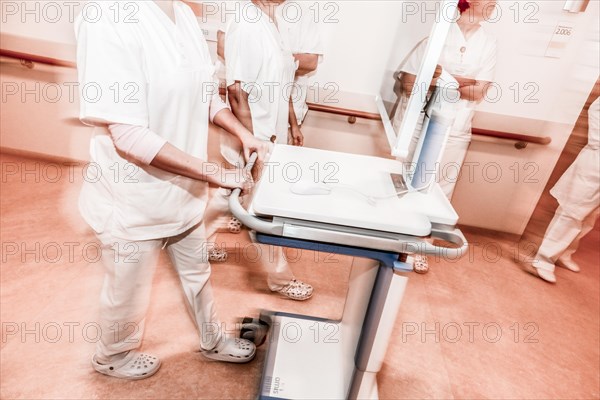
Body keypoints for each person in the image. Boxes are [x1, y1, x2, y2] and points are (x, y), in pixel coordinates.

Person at [75, 0, 271, 379]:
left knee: (198, 274)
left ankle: (212, 340)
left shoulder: (181, 13)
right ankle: (112, 355)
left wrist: (243, 133)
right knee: (128, 292)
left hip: (184, 191)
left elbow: (204, 94)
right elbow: (129, 136)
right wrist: (214, 172)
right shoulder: (106, 18)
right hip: (134, 196)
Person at [393, 0, 498, 273]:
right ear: (469, 2)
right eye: (490, 1)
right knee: (406, 180)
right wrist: (462, 80)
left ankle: (422, 244)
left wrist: (441, 76)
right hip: (418, 122)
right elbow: (409, 84)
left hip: (456, 126)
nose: (494, 7)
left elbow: (479, 92)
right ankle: (397, 239)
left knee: (441, 189)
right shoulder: (440, 33)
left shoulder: (488, 43)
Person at [223, 0, 313, 301]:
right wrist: (252, 144)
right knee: (264, 210)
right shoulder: (246, 23)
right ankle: (281, 279)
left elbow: (282, 82)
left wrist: (292, 123)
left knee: (225, 198)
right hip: (256, 137)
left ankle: (194, 243)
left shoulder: (272, 24)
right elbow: (236, 92)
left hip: (270, 135)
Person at [528, 96, 600, 283]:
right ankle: (544, 260)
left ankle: (564, 252)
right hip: (596, 160)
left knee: (590, 216)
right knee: (572, 212)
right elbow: (596, 110)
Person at [275, 1, 325, 128]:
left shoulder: (302, 12)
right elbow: (223, 48)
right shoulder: (243, 7)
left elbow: (310, 62)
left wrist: (266, 61)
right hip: (246, 113)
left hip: (289, 119)